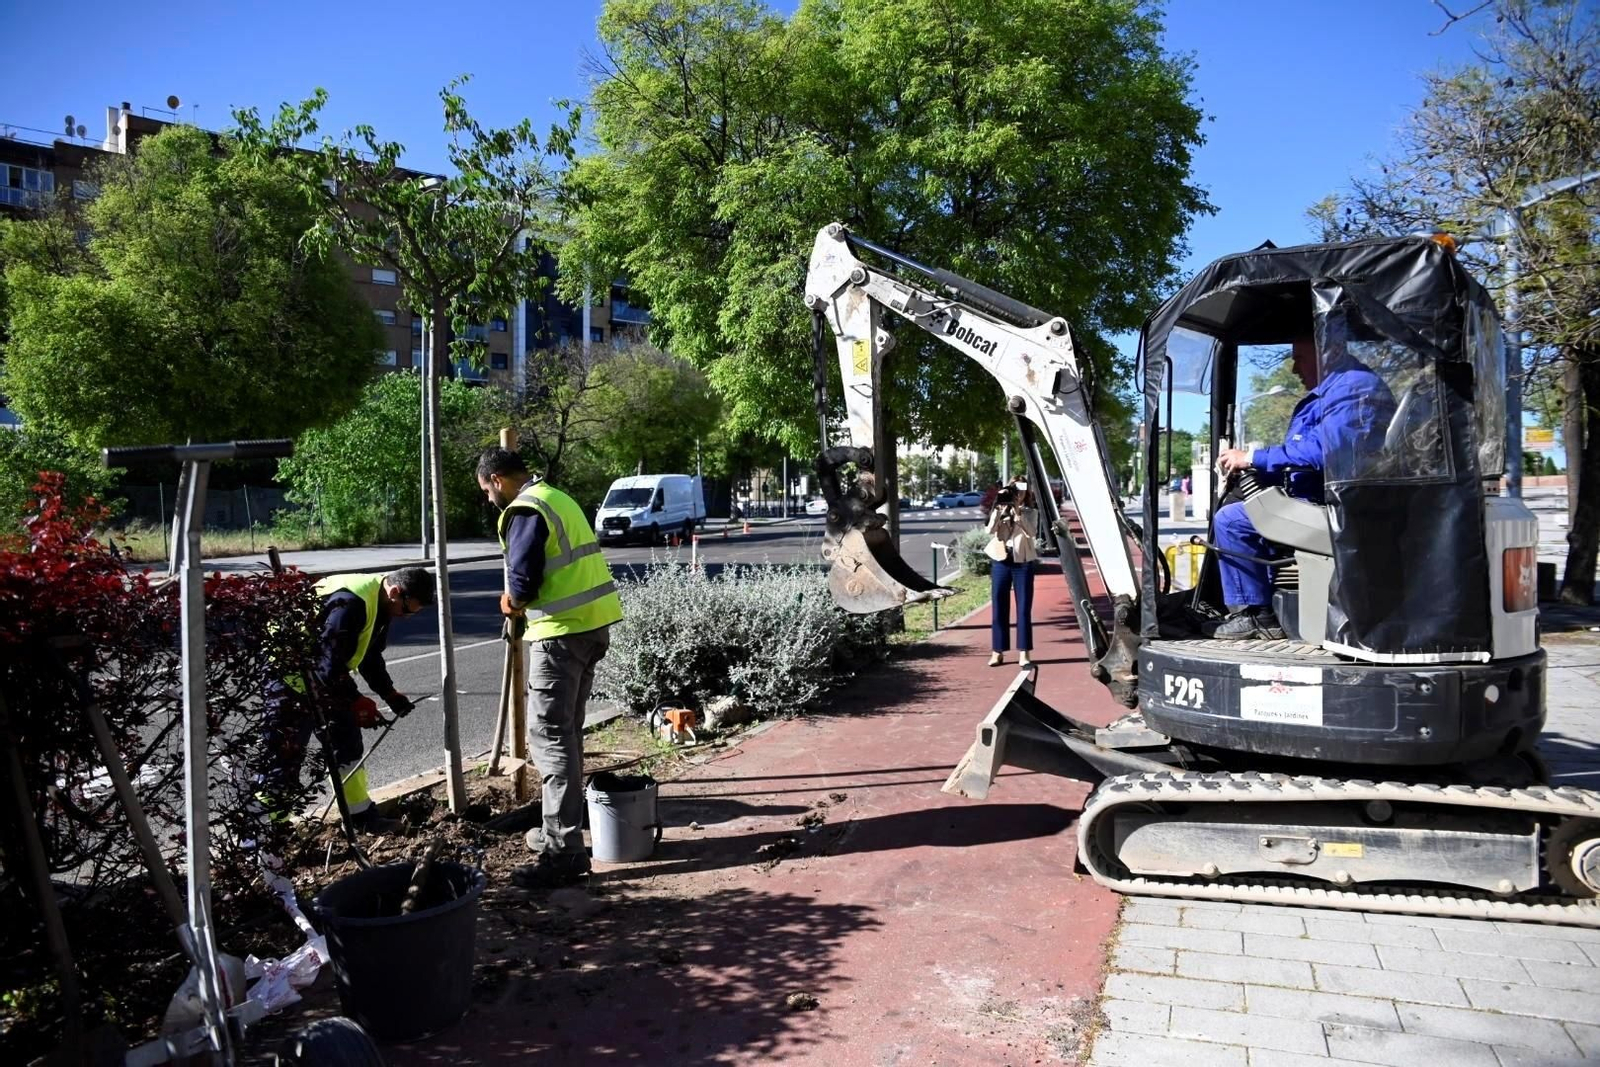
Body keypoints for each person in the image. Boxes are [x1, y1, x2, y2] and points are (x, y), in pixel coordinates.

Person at [477, 447, 624, 889]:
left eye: (487, 490)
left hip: (560, 635)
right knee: (568, 733)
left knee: (551, 738)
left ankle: (563, 852)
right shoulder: (556, 497)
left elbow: (522, 581)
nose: (488, 500)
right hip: (590, 627)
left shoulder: (525, 508)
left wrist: (512, 603)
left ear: (499, 480)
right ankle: (557, 830)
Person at [1211, 334, 1391, 638]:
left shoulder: (1352, 387)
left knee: (1232, 521)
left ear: (1328, 351)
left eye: (1300, 358)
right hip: (1334, 500)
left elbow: (1324, 452)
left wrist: (1252, 457)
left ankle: (1258, 616)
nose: (1295, 369)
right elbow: (1307, 456)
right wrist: (1257, 469)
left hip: (1341, 509)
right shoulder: (1338, 389)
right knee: (1253, 509)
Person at [259, 568, 432, 834]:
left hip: (325, 679)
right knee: (284, 758)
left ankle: (361, 816)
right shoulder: (350, 604)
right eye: (408, 610)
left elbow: (369, 654)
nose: (407, 617)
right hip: (289, 679)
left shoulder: (380, 604)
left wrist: (389, 693)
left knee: (347, 745)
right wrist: (357, 700)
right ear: (395, 592)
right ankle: (268, 834)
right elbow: (327, 666)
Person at [985, 477, 1039, 668]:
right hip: (1001, 560)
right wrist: (999, 511)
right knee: (999, 607)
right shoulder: (1000, 509)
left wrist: (1018, 513)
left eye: (1022, 490)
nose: (1018, 493)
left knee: (1023, 609)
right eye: (1015, 489)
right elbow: (989, 531)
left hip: (1022, 562)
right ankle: (997, 652)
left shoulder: (1030, 512)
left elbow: (1032, 532)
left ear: (1027, 493)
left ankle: (1024, 653)